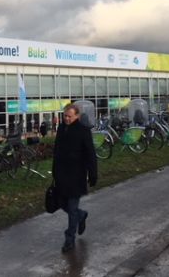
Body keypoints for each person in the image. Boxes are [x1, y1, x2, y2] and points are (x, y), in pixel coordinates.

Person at [52, 103, 98, 253]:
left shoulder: (83, 131)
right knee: (61, 203)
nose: (66, 119)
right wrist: (54, 170)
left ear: (77, 116)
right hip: (61, 174)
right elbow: (57, 150)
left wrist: (93, 173)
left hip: (76, 175)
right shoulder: (61, 129)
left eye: (69, 116)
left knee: (72, 208)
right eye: (65, 116)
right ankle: (81, 215)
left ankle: (69, 239)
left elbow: (90, 153)